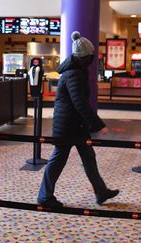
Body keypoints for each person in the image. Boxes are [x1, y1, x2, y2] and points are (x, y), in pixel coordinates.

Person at [37, 31, 119, 208]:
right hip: (68, 126)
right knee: (58, 160)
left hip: (75, 125)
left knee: (89, 157)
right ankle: (44, 197)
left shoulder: (74, 70)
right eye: (90, 56)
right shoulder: (75, 73)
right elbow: (79, 103)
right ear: (84, 57)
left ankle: (101, 191)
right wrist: (98, 125)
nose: (92, 60)